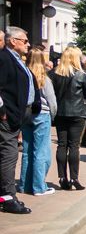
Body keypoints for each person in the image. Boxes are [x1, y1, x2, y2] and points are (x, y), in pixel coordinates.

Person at [0, 28, 42, 214]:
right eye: (24, 41)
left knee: (10, 154)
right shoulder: (4, 58)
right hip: (9, 116)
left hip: (20, 114)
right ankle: (8, 197)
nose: (28, 44)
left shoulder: (17, 59)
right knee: (9, 155)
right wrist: (3, 111)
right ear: (12, 41)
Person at [49, 46, 86, 190]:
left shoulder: (53, 74)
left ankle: (62, 178)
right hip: (78, 113)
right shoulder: (81, 75)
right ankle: (74, 178)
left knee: (62, 145)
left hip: (60, 113)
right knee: (74, 146)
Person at [20, 49, 57, 196]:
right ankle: (39, 186)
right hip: (42, 115)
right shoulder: (44, 79)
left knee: (27, 152)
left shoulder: (23, 77)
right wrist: (53, 116)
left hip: (26, 115)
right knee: (41, 152)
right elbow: (52, 101)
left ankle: (24, 185)